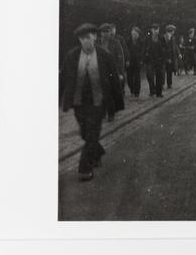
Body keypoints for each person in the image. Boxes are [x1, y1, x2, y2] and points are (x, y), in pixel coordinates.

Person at [61, 23, 124, 181]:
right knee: (85, 133)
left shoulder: (105, 55)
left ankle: (85, 168)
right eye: (82, 39)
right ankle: (98, 153)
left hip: (98, 101)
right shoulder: (72, 56)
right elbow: (64, 79)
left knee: (91, 134)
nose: (86, 41)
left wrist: (115, 104)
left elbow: (114, 80)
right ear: (79, 40)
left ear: (95, 37)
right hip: (79, 102)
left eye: (89, 38)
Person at [97, 23, 125, 95]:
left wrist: (120, 73)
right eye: (104, 31)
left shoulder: (115, 43)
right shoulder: (97, 43)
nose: (106, 33)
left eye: (108, 31)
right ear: (101, 33)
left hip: (113, 70)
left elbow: (120, 58)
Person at [143, 23, 166, 97]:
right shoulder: (147, 38)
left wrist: (163, 58)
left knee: (159, 77)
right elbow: (144, 48)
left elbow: (165, 49)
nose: (155, 31)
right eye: (154, 29)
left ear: (159, 30)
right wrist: (144, 58)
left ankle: (159, 92)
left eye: (157, 29)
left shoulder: (161, 38)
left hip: (159, 60)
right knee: (150, 76)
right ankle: (152, 90)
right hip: (150, 60)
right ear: (151, 30)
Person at [125, 26, 144, 97]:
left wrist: (141, 60)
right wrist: (127, 60)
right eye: (133, 34)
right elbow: (125, 51)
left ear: (138, 35)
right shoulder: (128, 41)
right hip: (129, 62)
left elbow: (143, 51)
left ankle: (137, 92)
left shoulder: (141, 42)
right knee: (129, 77)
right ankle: (132, 90)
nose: (134, 36)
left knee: (137, 78)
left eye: (135, 34)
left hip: (137, 62)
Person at [163, 24, 179, 89]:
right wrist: (167, 58)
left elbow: (175, 46)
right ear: (170, 31)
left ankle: (169, 84)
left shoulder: (173, 37)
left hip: (171, 57)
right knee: (163, 72)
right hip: (165, 57)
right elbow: (163, 48)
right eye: (173, 31)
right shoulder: (164, 37)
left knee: (169, 71)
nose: (174, 32)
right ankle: (162, 84)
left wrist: (179, 53)